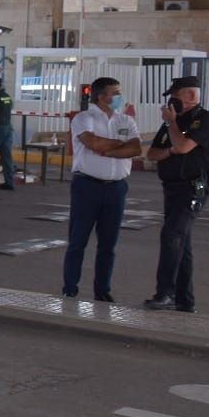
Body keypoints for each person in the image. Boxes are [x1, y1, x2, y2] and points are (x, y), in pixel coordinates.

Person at [61, 77, 142, 302]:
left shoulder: (126, 120)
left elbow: (135, 148)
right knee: (78, 240)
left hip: (116, 188)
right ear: (102, 96)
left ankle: (102, 290)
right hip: (87, 186)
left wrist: (107, 148)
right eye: (115, 93)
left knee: (108, 244)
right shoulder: (83, 119)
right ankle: (70, 287)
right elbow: (92, 143)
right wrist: (118, 144)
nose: (120, 97)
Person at [144, 76, 209, 313]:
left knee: (171, 235)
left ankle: (166, 293)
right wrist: (173, 147)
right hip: (172, 188)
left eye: (174, 97)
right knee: (181, 243)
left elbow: (185, 146)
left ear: (190, 96)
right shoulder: (171, 124)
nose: (170, 103)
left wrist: (174, 130)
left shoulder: (202, 119)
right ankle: (185, 300)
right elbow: (153, 153)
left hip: (192, 187)